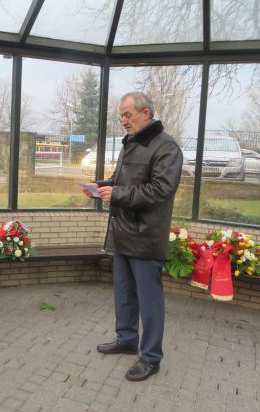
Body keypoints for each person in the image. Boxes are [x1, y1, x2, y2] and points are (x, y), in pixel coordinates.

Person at [82, 92, 182, 382]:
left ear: (146, 113)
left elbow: (161, 190)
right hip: (123, 232)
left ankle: (150, 358)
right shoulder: (131, 142)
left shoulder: (166, 147)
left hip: (146, 236)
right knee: (124, 293)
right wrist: (100, 186)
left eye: (128, 115)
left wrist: (118, 194)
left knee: (150, 301)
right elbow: (120, 181)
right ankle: (126, 339)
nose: (123, 121)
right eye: (121, 116)